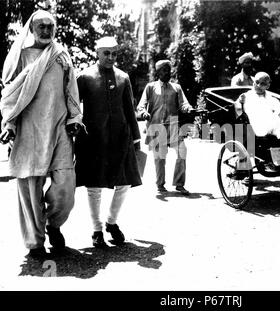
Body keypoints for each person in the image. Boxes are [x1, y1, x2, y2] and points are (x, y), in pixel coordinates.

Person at [0, 10, 83, 258]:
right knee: (29, 188)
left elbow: (72, 92)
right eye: (41, 27)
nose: (46, 31)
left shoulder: (61, 56)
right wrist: (9, 126)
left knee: (66, 186)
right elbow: (10, 98)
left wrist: (75, 119)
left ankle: (53, 224)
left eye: (50, 27)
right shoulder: (20, 57)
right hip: (28, 130)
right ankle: (35, 242)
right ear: (31, 29)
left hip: (59, 129)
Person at [75, 36, 142, 248]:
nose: (111, 57)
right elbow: (73, 107)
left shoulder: (123, 77)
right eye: (107, 53)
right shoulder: (84, 77)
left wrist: (136, 137)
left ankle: (111, 222)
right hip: (93, 139)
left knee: (124, 182)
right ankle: (96, 229)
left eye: (114, 53)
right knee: (94, 185)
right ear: (97, 52)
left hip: (121, 137)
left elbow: (130, 110)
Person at [137, 59, 194, 195]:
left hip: (173, 126)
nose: (168, 72)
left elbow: (183, 104)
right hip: (157, 126)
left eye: (169, 69)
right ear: (158, 72)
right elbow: (141, 105)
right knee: (160, 158)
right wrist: (144, 112)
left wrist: (188, 108)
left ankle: (179, 184)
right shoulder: (150, 87)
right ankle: (160, 185)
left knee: (182, 152)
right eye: (164, 70)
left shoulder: (176, 88)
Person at [235, 72, 280, 159]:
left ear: (268, 86)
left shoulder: (271, 98)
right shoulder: (246, 96)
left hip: (272, 125)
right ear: (254, 82)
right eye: (256, 82)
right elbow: (238, 109)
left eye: (263, 84)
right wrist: (240, 101)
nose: (258, 85)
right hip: (256, 126)